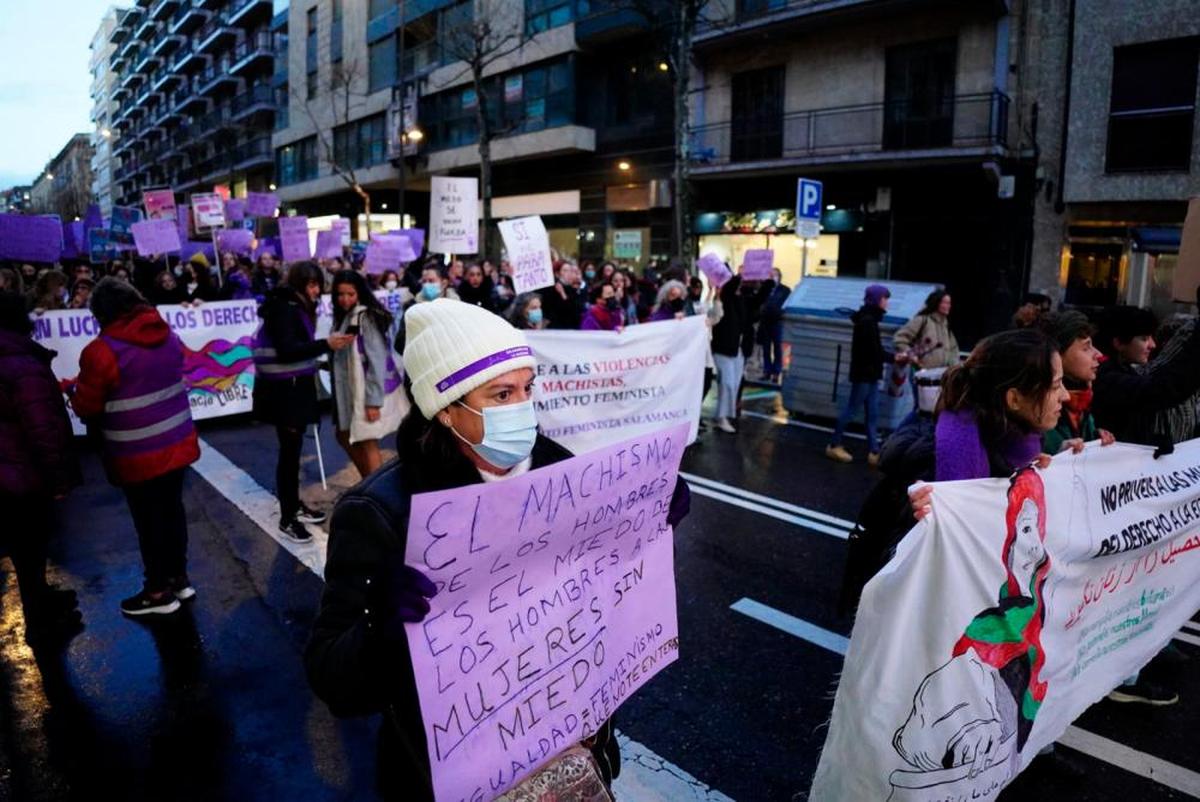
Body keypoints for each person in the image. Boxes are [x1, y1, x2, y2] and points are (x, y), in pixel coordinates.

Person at [306, 298, 691, 800]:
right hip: (456, 778)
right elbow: (334, 680)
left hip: (571, 757)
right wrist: (383, 626)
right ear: (447, 409)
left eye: (527, 389)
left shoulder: (558, 469)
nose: (522, 407)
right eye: (502, 393)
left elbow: (597, 579)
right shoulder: (380, 511)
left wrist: (646, 516)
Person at [65, 279, 200, 616]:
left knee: (148, 522)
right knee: (172, 513)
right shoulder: (167, 334)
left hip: (137, 455)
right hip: (177, 444)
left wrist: (72, 391)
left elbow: (87, 407)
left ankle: (157, 593)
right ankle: (178, 579)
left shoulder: (101, 351)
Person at [0, 292, 83, 643]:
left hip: (10, 473)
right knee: (30, 547)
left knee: (25, 549)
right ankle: (41, 623)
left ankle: (42, 599)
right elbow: (42, 428)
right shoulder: (20, 364)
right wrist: (58, 479)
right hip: (22, 476)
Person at [253, 262, 356, 543]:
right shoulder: (285, 308)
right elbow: (288, 351)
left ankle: (293, 504)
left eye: (316, 285)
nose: (314, 291)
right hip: (283, 393)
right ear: (299, 284)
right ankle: (288, 518)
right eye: (310, 285)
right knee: (289, 456)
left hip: (290, 389)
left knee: (293, 452)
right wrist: (326, 345)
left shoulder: (289, 305)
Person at [1092, 303, 1200, 447]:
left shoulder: (1124, 372)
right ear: (1119, 343)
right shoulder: (1108, 379)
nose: (1152, 345)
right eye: (1144, 338)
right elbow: (1161, 390)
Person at [330, 270, 401, 479]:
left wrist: (373, 401)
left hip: (363, 392)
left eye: (350, 294)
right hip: (349, 391)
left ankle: (377, 492)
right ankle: (369, 484)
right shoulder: (346, 316)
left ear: (359, 292)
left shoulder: (365, 317)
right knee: (345, 435)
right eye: (340, 294)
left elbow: (377, 359)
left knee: (367, 441)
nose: (345, 299)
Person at [826, 284, 891, 465]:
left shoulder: (868, 319)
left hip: (868, 374)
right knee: (853, 409)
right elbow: (873, 351)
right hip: (865, 374)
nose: (887, 302)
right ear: (878, 299)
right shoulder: (868, 321)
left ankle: (874, 451)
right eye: (885, 299)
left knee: (872, 413)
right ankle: (834, 445)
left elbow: (874, 350)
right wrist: (894, 357)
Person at [1039, 311, 1115, 455]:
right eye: (1086, 348)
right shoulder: (1040, 409)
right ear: (1057, 355)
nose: (1098, 355)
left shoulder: (1082, 403)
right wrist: (1058, 454)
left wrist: (1095, 439)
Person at [710, 273, 747, 433]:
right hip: (723, 348)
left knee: (732, 384)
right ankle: (722, 417)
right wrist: (741, 275)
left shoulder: (738, 300)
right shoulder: (723, 299)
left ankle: (722, 415)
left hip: (736, 348)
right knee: (727, 384)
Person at [894, 288, 960, 370]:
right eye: (945, 303)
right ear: (936, 303)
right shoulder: (922, 320)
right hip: (921, 373)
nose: (948, 306)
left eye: (949, 303)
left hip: (942, 375)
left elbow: (954, 349)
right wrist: (911, 355)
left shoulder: (946, 326)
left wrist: (954, 367)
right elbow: (900, 338)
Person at [757, 268, 791, 382]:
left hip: (778, 322)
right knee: (766, 349)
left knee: (777, 349)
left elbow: (785, 306)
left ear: (779, 276)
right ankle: (767, 371)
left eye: (775, 275)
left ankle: (776, 372)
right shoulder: (764, 289)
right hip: (765, 322)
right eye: (770, 275)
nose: (772, 277)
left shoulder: (785, 290)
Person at [539, 262, 583, 329]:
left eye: (570, 270)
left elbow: (575, 311)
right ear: (557, 274)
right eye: (565, 270)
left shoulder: (574, 289)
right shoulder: (551, 289)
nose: (569, 273)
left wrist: (563, 294)